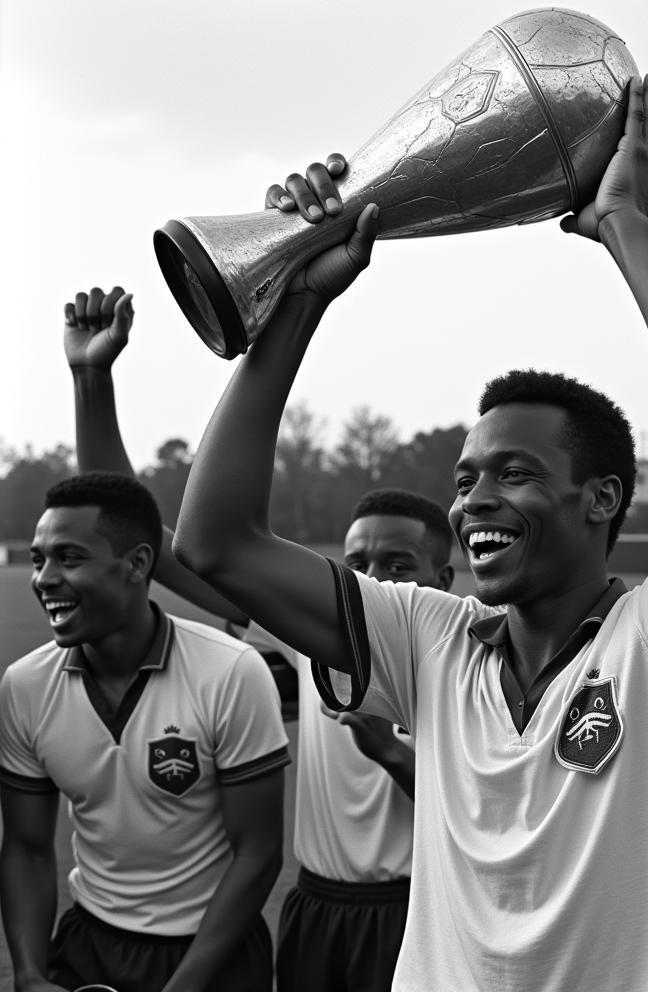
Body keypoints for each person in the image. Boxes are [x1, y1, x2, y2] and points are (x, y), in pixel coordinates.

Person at [174, 73, 648, 992]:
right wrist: (297, 302)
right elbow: (214, 539)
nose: (474, 502)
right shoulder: (435, 641)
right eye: (465, 481)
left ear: (603, 498)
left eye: (517, 473)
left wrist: (625, 225)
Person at [59, 289, 453, 991]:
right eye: (357, 564)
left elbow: (486, 812)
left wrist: (390, 751)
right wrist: (93, 381)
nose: (372, 578)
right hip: (315, 908)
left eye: (398, 565)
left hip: (417, 911)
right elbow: (152, 537)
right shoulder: (314, 638)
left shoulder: (464, 660)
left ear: (443, 578)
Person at [0, 473, 289, 992]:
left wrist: (185, 985)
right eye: (40, 558)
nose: (43, 578)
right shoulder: (24, 686)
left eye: (68, 558)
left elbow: (259, 852)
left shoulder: (230, 671)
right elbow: (27, 848)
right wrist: (27, 973)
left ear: (136, 564)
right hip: (90, 945)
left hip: (213, 951)